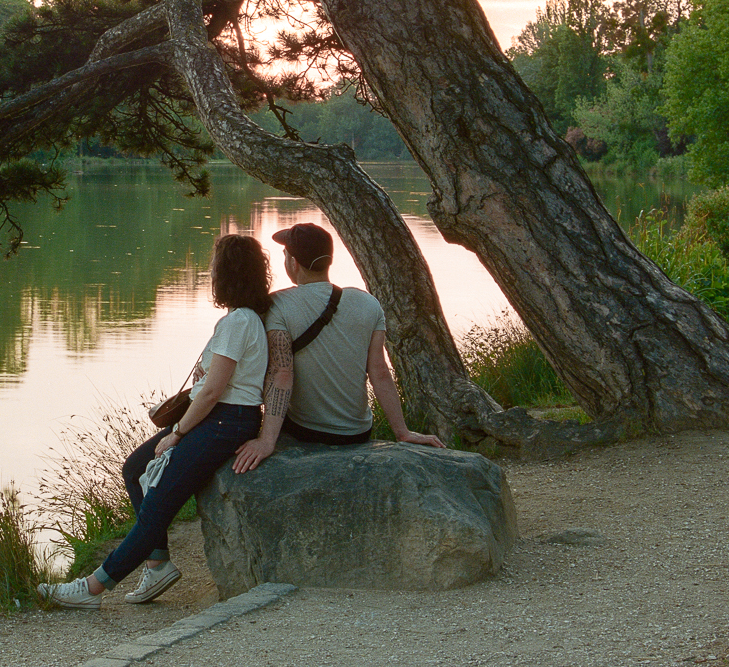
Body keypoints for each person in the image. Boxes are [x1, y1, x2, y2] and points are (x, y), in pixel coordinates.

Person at [39, 232, 273, 608]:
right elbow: (214, 383)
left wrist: (177, 434)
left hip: (224, 421)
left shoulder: (239, 323)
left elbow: (214, 392)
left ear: (227, 273)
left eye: (214, 267)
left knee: (158, 503)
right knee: (134, 468)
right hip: (218, 417)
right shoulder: (240, 320)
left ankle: (93, 589)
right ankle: (158, 562)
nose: (210, 273)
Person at [231, 221, 445, 473]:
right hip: (357, 433)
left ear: (293, 262)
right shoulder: (368, 303)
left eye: (285, 254)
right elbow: (379, 371)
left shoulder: (278, 305)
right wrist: (402, 432)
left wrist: (266, 441)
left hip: (305, 431)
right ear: (328, 260)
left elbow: (282, 374)